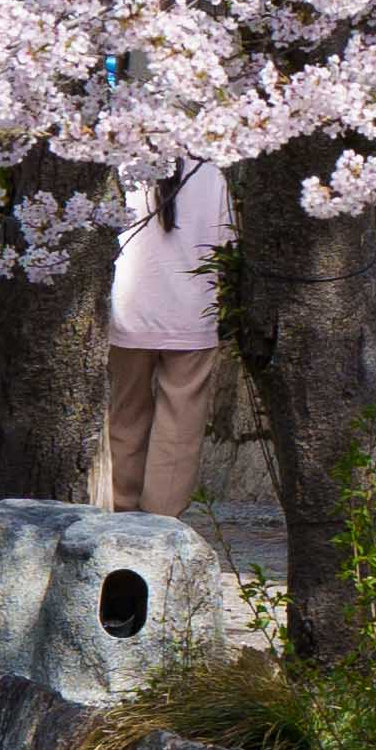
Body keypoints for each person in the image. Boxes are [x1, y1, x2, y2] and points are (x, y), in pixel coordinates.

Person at [104, 163, 231, 513]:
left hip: (128, 310)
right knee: (180, 428)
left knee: (124, 415)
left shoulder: (124, 160)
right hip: (193, 311)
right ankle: (162, 522)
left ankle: (120, 510)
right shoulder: (212, 166)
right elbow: (228, 239)